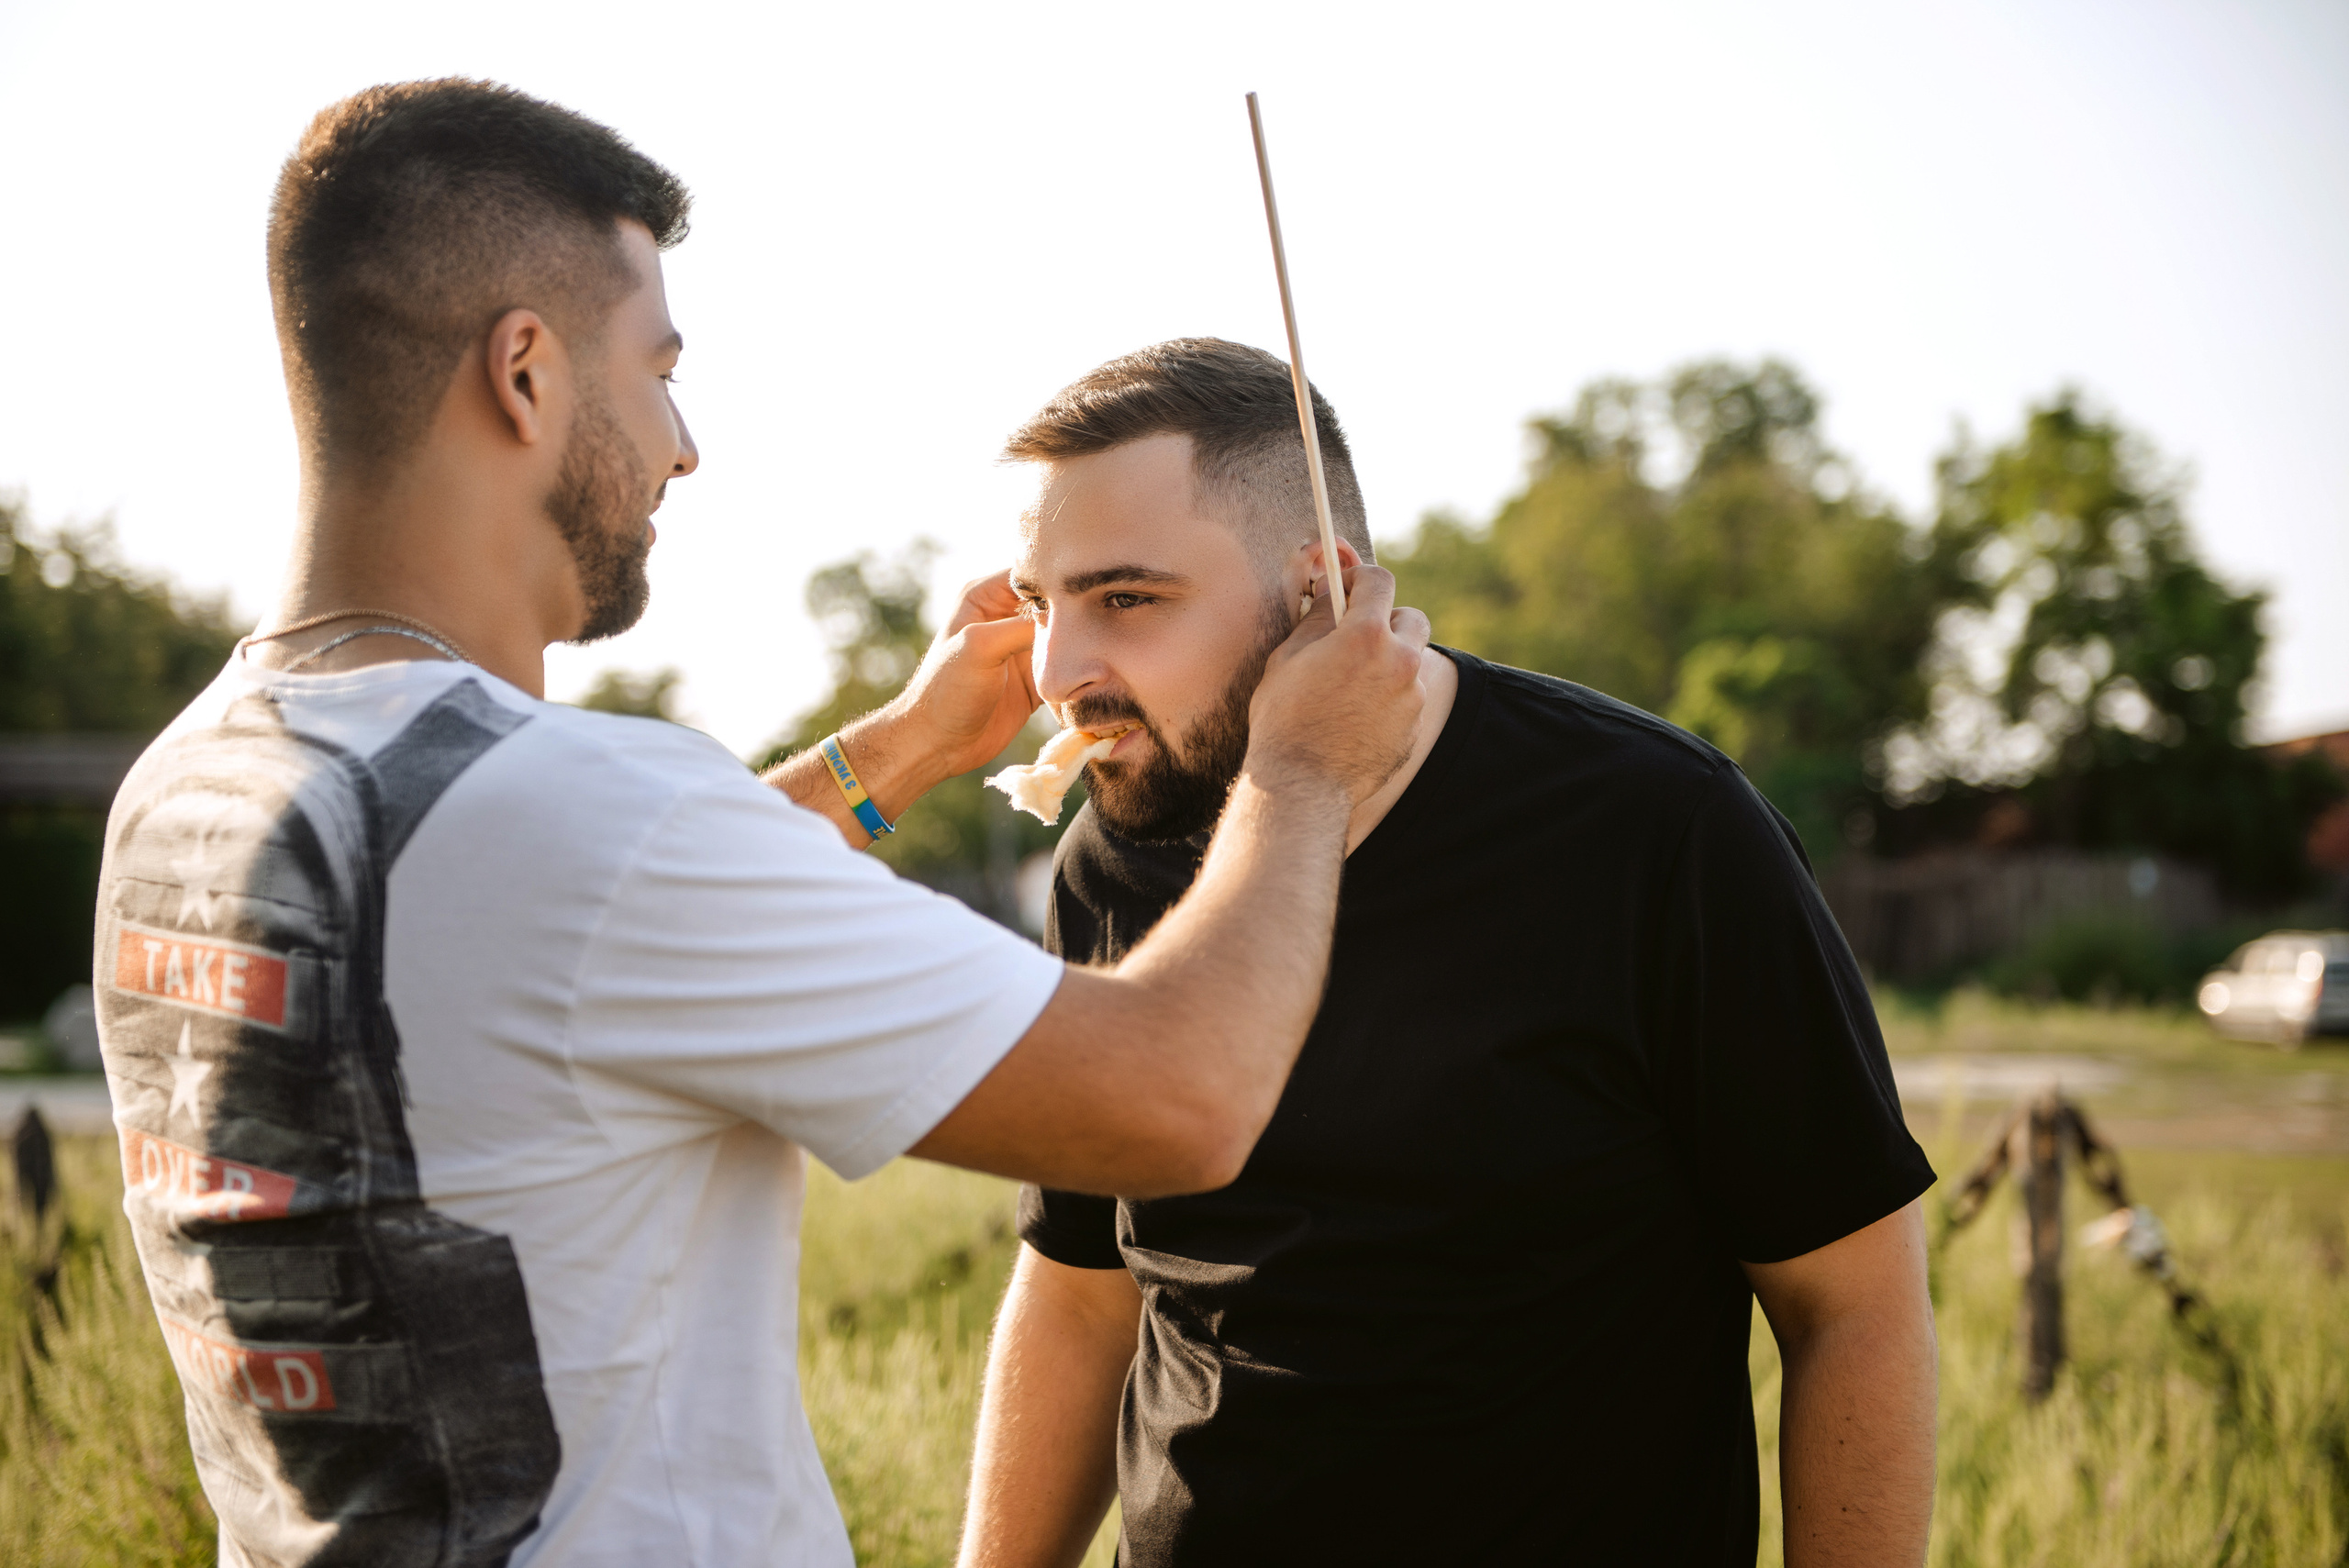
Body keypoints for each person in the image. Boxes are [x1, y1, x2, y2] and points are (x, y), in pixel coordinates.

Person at [92, 86, 1431, 1567]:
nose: (684, 444)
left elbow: (556, 925)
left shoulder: (187, 787)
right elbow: (1180, 1097)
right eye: (658, 369)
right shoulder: (592, 818)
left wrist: (894, 752)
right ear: (525, 374)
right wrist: (1303, 763)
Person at [957, 339, 1941, 1568]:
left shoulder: (1660, 829)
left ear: (1323, 588)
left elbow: (1850, 1303)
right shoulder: (1112, 860)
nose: (1059, 672)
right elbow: (1082, 1290)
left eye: (1127, 598)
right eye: (1043, 602)